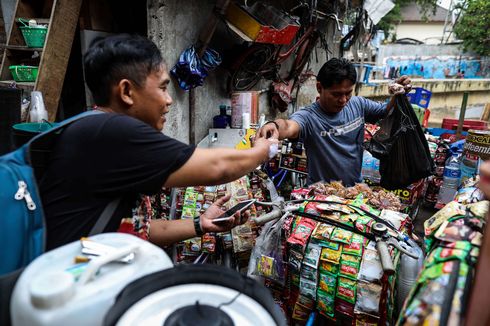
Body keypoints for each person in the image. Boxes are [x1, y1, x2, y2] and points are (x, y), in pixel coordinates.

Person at [39, 34, 277, 250]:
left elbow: (142, 229)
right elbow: (219, 168)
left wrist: (200, 224)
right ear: (126, 92)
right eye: (163, 87)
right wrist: (261, 150)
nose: (169, 100)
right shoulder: (112, 132)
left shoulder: (100, 130)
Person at [256, 58, 411, 186]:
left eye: (348, 93)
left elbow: (385, 112)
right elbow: (289, 126)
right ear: (319, 87)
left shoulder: (358, 104)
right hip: (321, 195)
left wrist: (398, 94)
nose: (343, 100)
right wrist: (274, 126)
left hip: (354, 191)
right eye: (336, 94)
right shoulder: (309, 116)